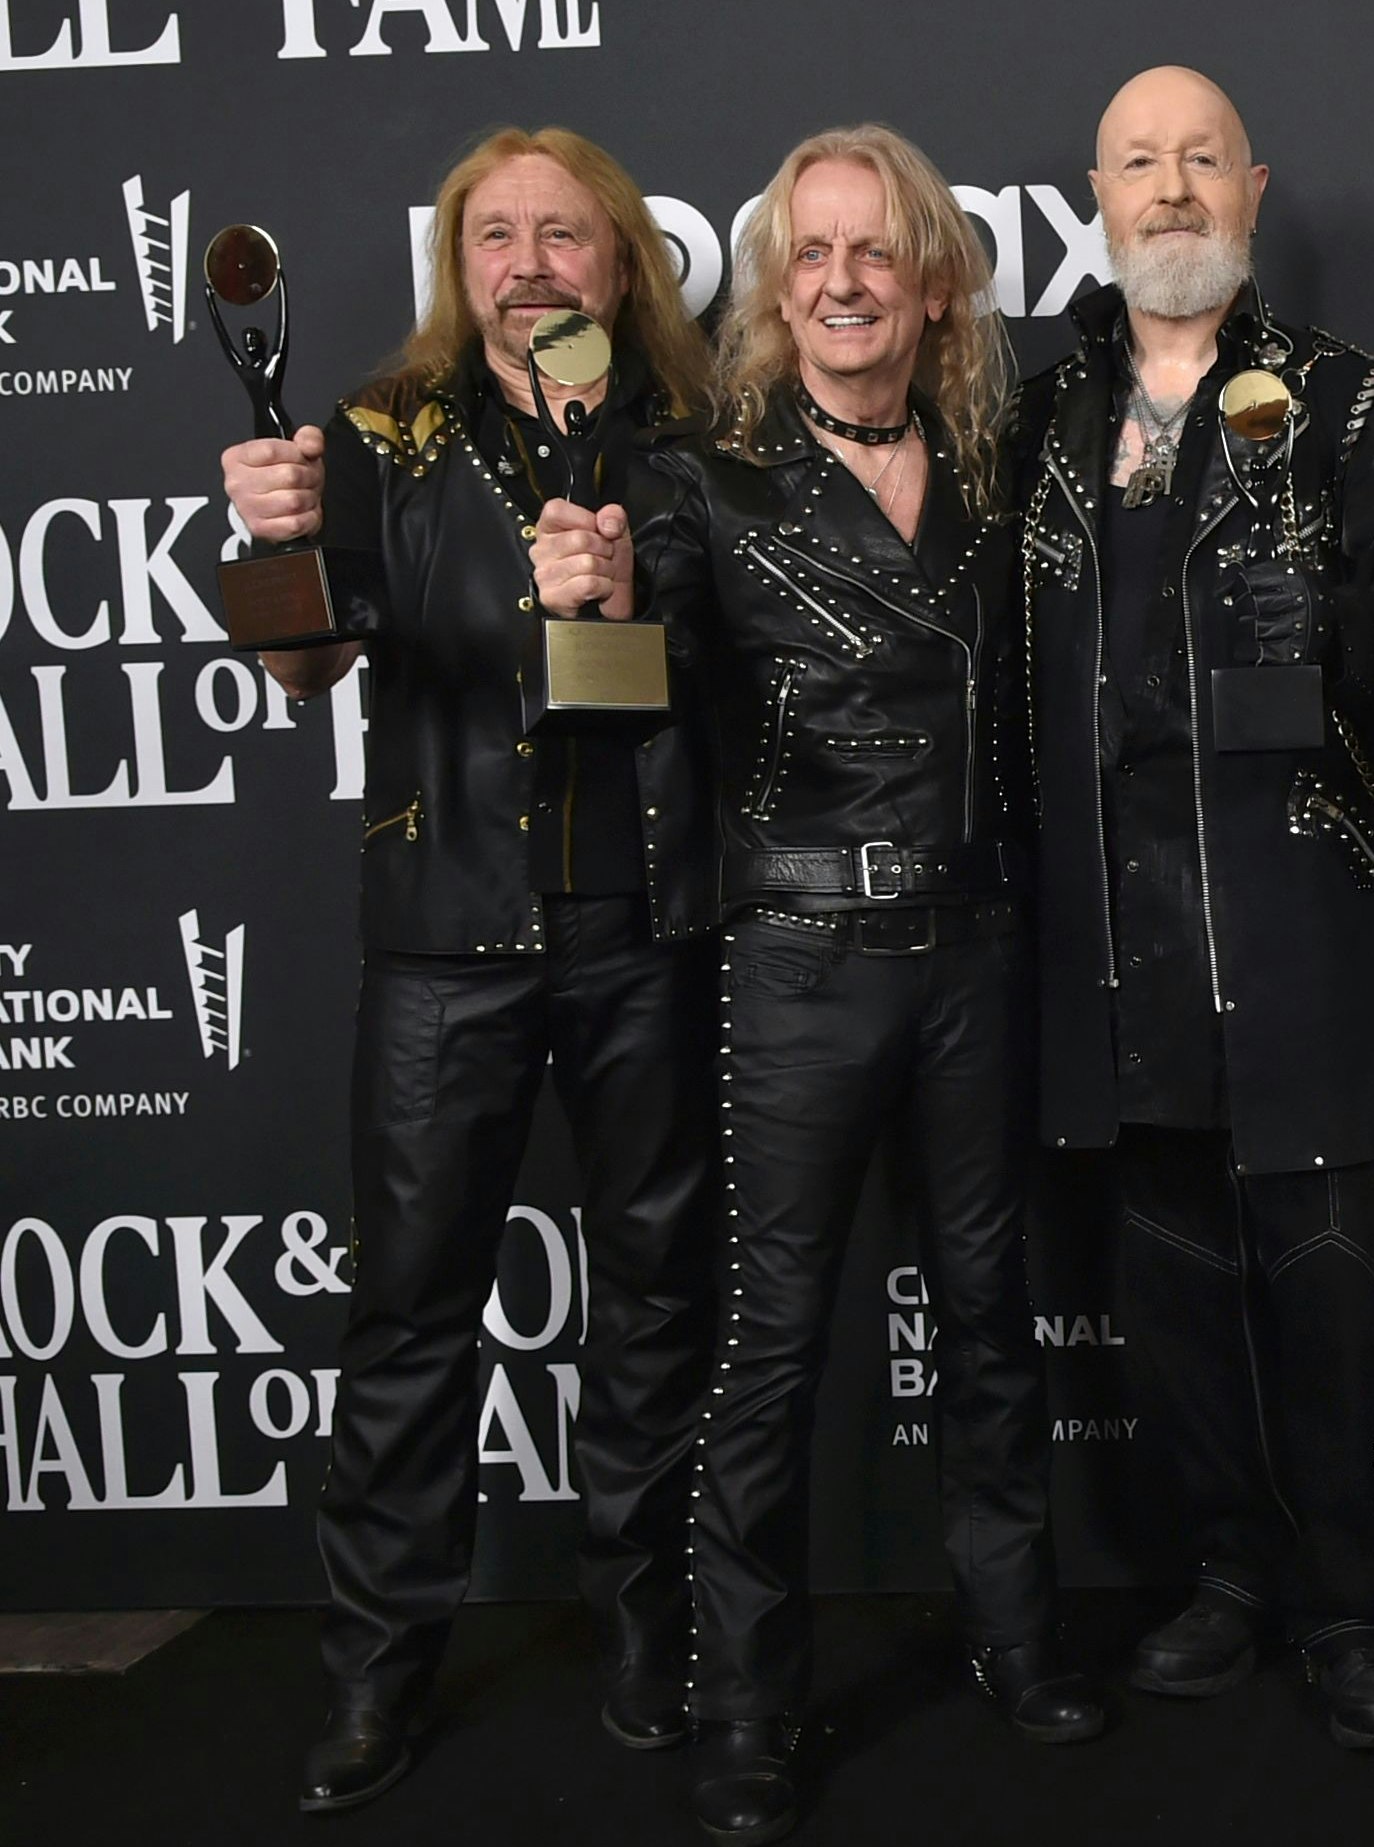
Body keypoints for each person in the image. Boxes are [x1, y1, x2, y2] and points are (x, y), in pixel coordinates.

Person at [532, 124, 1100, 1847]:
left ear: (937, 285)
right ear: (781, 292)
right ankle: (749, 1704)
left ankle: (1012, 1639)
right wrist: (594, 610)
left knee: (992, 1330)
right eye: (812, 256)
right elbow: (626, 704)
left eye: (876, 253)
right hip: (792, 967)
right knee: (770, 1349)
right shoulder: (710, 481)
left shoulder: (1000, 476)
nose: (843, 281)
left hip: (976, 957)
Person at [219, 125, 718, 1815]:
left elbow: (727, 678)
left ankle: (649, 1635)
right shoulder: (375, 433)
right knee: (413, 1317)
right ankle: (377, 1677)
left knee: (658, 1304)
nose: (527, 264)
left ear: (620, 261)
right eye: (494, 234)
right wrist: (277, 548)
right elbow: (302, 668)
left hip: (646, 927)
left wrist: (632, 597)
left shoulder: (688, 437)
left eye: (562, 235)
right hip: (446, 934)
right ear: (459, 264)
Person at [1013, 65, 1374, 1751]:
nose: (1175, 189)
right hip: (1115, 950)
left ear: (1257, 192)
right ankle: (1227, 1579)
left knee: (1335, 1299)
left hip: (1308, 939)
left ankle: (1357, 1604)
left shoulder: (1349, 407)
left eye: (1204, 159)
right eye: (1141, 161)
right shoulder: (1037, 423)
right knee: (1176, 1304)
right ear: (1100, 196)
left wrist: (1342, 618)